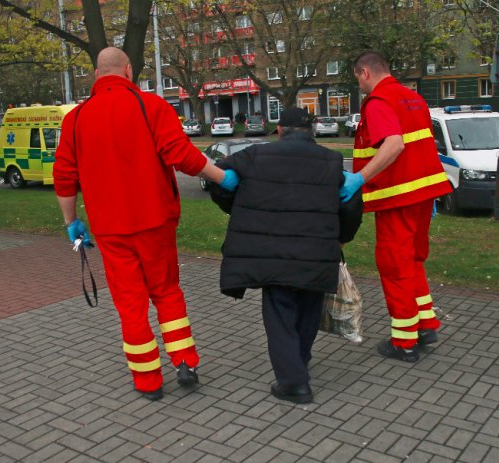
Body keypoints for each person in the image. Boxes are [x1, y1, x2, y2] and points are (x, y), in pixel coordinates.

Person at [53, 47, 238, 401]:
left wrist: (71, 221)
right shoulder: (151, 106)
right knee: (167, 292)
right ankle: (185, 361)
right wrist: (223, 177)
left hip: (110, 229)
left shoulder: (74, 120)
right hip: (155, 222)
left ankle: (148, 381)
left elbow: (64, 177)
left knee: (130, 304)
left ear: (96, 75)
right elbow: (181, 156)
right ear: (128, 71)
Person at [210, 107, 363, 404]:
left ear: (280, 131)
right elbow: (350, 203)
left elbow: (222, 181)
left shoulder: (254, 156)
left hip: (273, 254)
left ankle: (293, 382)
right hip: (317, 252)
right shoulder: (332, 161)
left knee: (280, 314)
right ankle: (298, 362)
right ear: (313, 131)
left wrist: (238, 207)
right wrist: (342, 238)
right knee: (308, 311)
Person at [340, 50, 452, 363]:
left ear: (364, 73)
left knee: (394, 263)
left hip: (398, 196)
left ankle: (404, 341)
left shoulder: (378, 101)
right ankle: (426, 324)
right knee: (414, 259)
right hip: (423, 192)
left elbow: (394, 143)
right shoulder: (411, 98)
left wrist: (359, 178)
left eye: (358, 80)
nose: (360, 86)